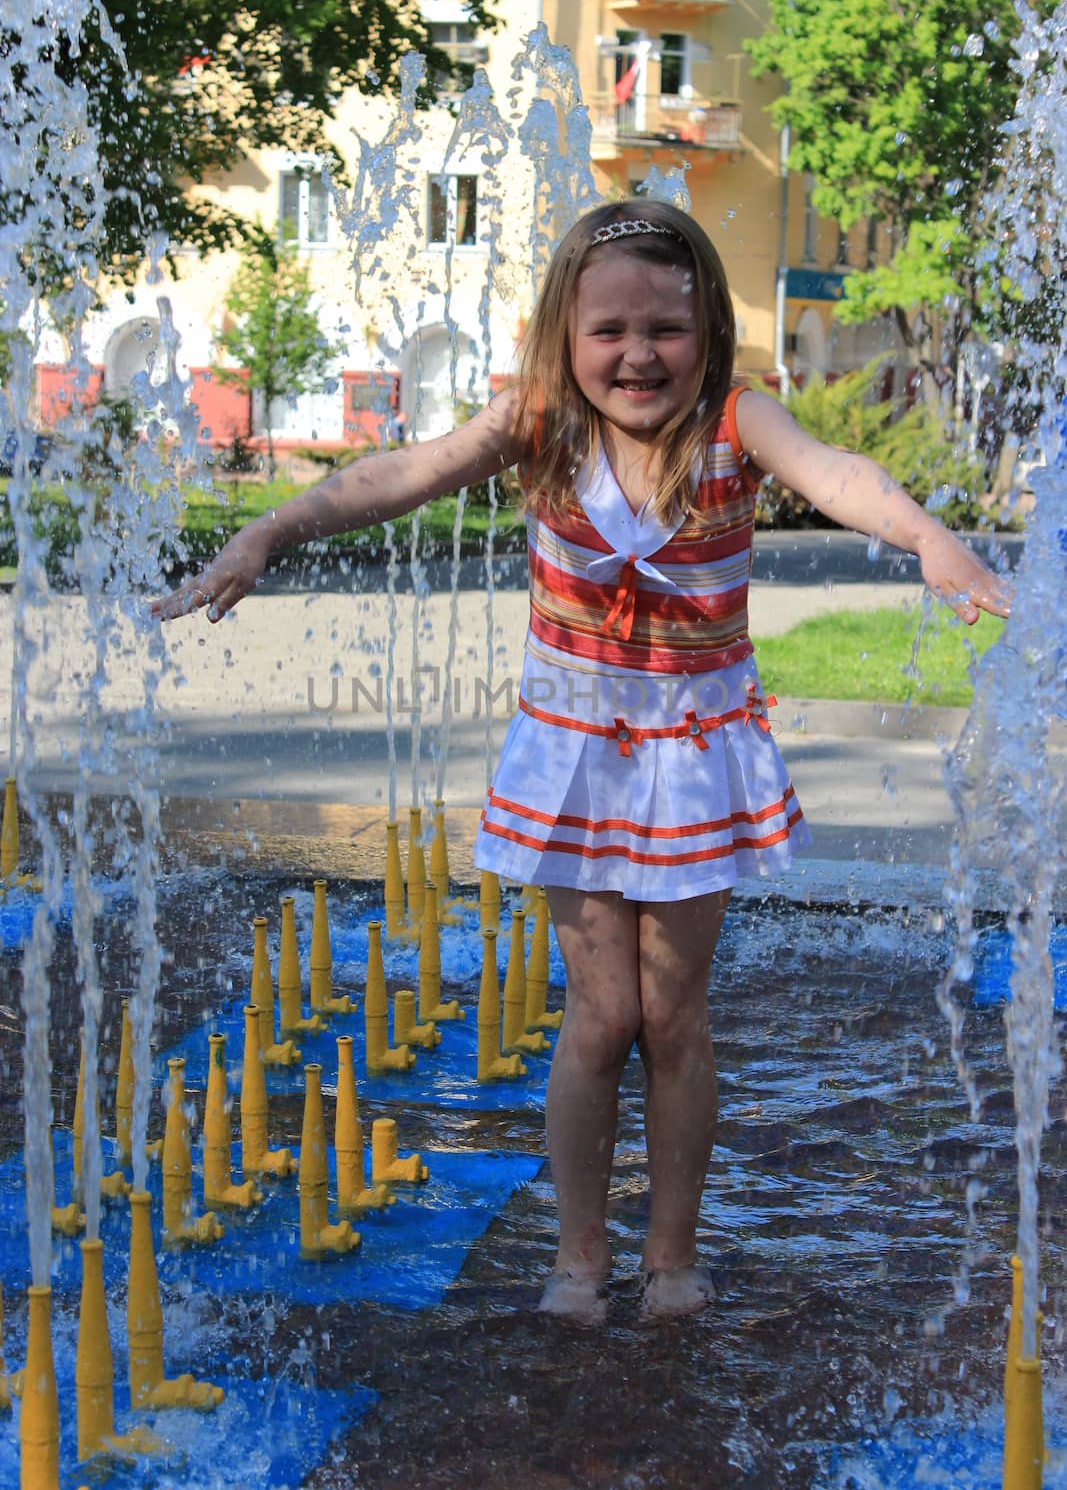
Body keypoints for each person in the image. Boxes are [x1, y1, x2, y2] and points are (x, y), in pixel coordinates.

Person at [154, 200, 1011, 1321]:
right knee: (601, 1012)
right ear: (564, 329)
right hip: (574, 755)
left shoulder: (734, 424)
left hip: (694, 753)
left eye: (666, 326)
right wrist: (272, 530)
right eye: (608, 328)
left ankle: (669, 1256)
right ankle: (575, 1253)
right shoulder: (540, 425)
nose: (637, 352)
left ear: (708, 330)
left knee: (675, 1013)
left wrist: (923, 535)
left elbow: (836, 469)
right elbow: (398, 473)